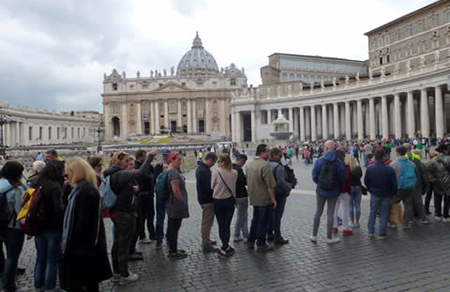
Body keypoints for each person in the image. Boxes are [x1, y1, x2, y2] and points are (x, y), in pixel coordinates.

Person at [103, 150, 157, 284]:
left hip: (117, 212)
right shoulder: (120, 174)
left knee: (117, 243)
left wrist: (132, 190)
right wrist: (150, 156)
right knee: (123, 245)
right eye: (126, 161)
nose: (130, 163)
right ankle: (124, 275)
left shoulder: (112, 174)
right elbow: (141, 173)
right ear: (118, 161)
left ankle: (116, 272)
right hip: (124, 213)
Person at [60, 158, 112, 291]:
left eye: (67, 175)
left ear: (76, 172)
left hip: (83, 250)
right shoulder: (79, 190)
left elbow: (83, 224)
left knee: (83, 284)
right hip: (83, 249)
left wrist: (71, 247)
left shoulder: (85, 192)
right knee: (88, 283)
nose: (65, 178)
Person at [33, 160, 65, 292]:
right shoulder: (55, 186)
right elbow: (58, 209)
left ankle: (38, 284)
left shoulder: (39, 183)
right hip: (53, 227)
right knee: (52, 259)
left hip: (39, 225)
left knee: (41, 257)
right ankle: (50, 287)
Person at [310, 140, 346, 244]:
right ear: (334, 148)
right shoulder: (339, 162)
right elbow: (342, 178)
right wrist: (337, 186)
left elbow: (314, 176)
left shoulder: (319, 161)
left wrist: (320, 183)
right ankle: (329, 237)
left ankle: (314, 235)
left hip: (320, 191)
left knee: (318, 212)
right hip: (334, 191)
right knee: (330, 214)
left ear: (325, 148)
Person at [0, 161, 27, 292]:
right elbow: (20, 211)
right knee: (12, 256)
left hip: (0, 224)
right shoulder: (17, 189)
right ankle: (9, 285)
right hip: (13, 227)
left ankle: (2, 273)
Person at [246, 144, 277, 252]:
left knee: (255, 220)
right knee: (263, 222)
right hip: (264, 198)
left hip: (254, 197)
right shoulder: (265, 165)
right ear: (262, 152)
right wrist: (273, 199)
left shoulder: (249, 164)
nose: (269, 153)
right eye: (268, 151)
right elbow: (270, 185)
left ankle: (250, 241)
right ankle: (261, 244)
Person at [365, 149, 397, 239]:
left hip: (374, 193)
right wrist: (393, 193)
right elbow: (394, 183)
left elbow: (366, 181)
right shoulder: (389, 169)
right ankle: (382, 233)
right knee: (384, 213)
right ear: (384, 157)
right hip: (386, 194)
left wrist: (371, 190)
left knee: (372, 212)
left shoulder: (369, 168)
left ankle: (370, 231)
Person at [211, 154, 238, 258]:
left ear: (223, 162)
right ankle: (225, 245)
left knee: (221, 224)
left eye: (218, 161)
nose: (217, 163)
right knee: (227, 224)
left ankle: (224, 246)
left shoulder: (215, 173)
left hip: (218, 201)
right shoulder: (234, 173)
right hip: (230, 200)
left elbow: (211, 186)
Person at [165, 152, 190, 260]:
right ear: (172, 160)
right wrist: (183, 202)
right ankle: (173, 252)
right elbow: (176, 191)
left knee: (172, 228)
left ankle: (173, 249)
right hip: (176, 206)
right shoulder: (174, 174)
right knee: (174, 229)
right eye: (179, 160)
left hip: (170, 204)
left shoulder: (168, 171)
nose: (180, 162)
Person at [267, 147, 292, 244]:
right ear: (274, 155)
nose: (280, 157)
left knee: (270, 215)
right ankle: (278, 236)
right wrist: (289, 186)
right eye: (279, 155)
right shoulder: (279, 167)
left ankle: (269, 234)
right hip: (279, 193)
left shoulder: (266, 164)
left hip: (269, 192)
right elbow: (281, 182)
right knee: (277, 216)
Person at [195, 152, 218, 253]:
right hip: (207, 200)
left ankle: (207, 239)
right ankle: (206, 244)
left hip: (203, 198)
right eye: (214, 162)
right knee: (207, 223)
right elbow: (208, 187)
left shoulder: (201, 168)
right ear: (210, 160)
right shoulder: (204, 171)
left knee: (207, 222)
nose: (214, 165)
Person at [389, 146, 417, 229]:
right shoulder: (411, 163)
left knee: (393, 204)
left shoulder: (394, 164)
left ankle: (393, 222)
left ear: (397, 153)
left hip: (399, 187)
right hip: (410, 186)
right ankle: (406, 223)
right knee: (408, 205)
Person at [134, 150, 155, 244]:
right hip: (142, 195)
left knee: (151, 215)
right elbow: (144, 176)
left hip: (149, 194)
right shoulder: (136, 167)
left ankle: (152, 234)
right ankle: (142, 236)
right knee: (142, 217)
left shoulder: (147, 165)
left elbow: (153, 174)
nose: (146, 158)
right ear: (139, 157)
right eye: (144, 156)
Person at [427, 144, 450, 222]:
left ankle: (438, 214)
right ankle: (446, 216)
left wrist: (432, 179)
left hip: (437, 181)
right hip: (448, 182)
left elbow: (429, 171)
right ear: (445, 150)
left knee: (437, 199)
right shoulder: (449, 158)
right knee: (447, 200)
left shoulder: (433, 160)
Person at [332, 150, 353, 236]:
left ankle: (334, 226)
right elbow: (346, 178)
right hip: (344, 190)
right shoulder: (345, 166)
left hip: (334, 190)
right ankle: (345, 228)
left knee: (334, 209)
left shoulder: (332, 165)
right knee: (344, 209)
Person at [154, 149, 171, 249]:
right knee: (160, 218)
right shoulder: (158, 166)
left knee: (171, 218)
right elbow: (154, 179)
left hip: (170, 196)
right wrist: (161, 170)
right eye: (163, 156)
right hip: (160, 195)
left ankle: (169, 237)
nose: (164, 158)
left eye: (166, 156)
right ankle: (159, 239)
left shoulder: (173, 167)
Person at [232, 154, 248, 243]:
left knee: (242, 215)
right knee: (242, 215)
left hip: (233, 195)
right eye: (244, 163)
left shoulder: (230, 167)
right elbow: (245, 182)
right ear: (241, 161)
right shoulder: (239, 170)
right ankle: (238, 234)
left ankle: (243, 235)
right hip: (241, 195)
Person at [347, 155, 363, 228]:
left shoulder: (346, 168)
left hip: (349, 187)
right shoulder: (358, 168)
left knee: (350, 205)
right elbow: (361, 176)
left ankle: (351, 221)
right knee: (358, 205)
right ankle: (357, 222)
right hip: (358, 186)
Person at [424, 150, 438, 215]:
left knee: (428, 196)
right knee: (437, 196)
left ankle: (426, 209)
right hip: (436, 181)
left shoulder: (427, 163)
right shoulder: (438, 163)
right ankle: (437, 210)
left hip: (429, 181)